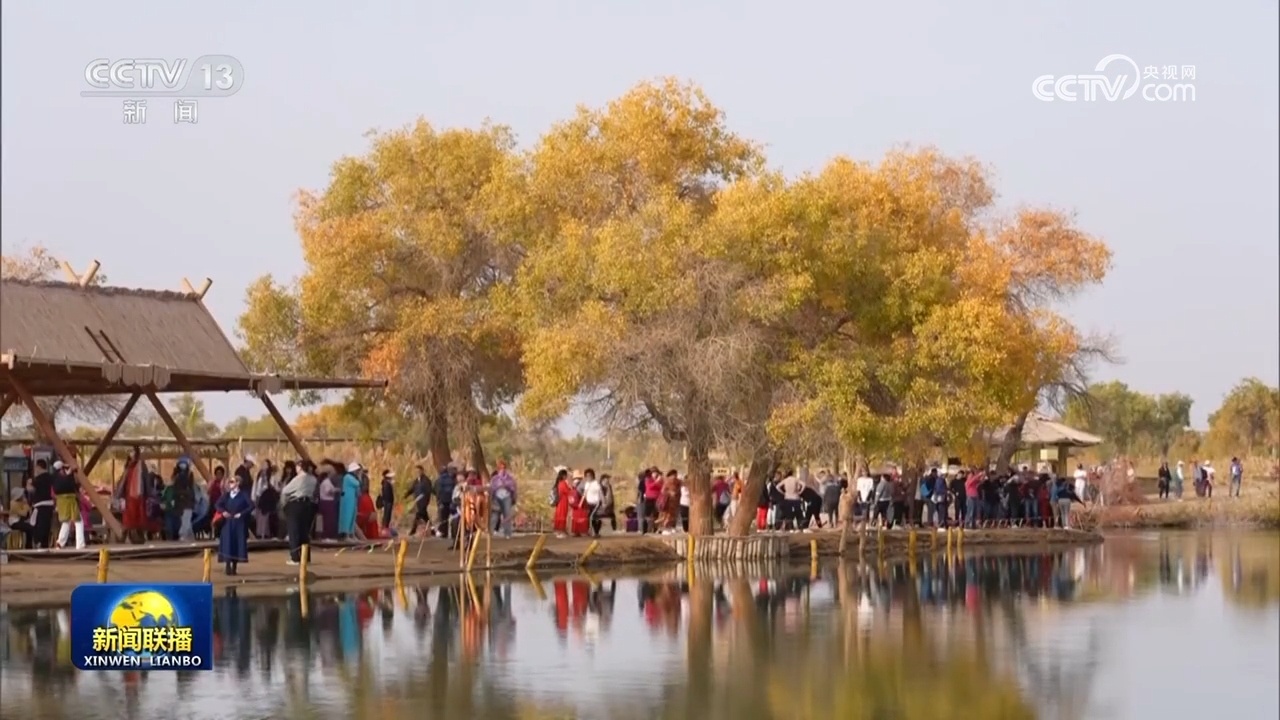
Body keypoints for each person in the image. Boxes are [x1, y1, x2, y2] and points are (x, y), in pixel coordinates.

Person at [214, 473, 254, 575]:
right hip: (227, 522)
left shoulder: (243, 494)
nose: (230, 484)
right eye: (229, 482)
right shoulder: (227, 495)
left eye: (232, 482)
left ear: (238, 483)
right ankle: (227, 565)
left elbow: (251, 506)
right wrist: (223, 512)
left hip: (238, 523)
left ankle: (234, 566)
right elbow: (217, 504)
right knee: (227, 543)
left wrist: (241, 514)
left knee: (236, 543)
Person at [281, 460, 317, 565]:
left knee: (294, 531)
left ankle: (295, 557)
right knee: (304, 532)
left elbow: (285, 490)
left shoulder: (299, 478)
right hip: (308, 504)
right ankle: (306, 557)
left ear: (300, 467)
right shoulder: (313, 479)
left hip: (296, 503)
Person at [53, 462, 85, 549]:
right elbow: (71, 484)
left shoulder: (54, 478)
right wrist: (70, 473)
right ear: (62, 469)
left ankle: (60, 542)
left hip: (61, 502)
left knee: (66, 521)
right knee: (78, 521)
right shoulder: (66, 478)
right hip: (70, 500)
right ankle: (80, 544)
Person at [28, 459, 55, 548]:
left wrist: (28, 483)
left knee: (39, 525)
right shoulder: (51, 477)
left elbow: (31, 489)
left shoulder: (38, 479)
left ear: (39, 467)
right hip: (50, 504)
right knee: (47, 525)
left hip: (40, 505)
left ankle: (38, 542)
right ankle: (45, 544)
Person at [490, 460, 518, 538]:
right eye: (500, 467)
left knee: (507, 515)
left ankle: (507, 533)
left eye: (503, 467)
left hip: (506, 497)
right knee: (495, 514)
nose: (502, 469)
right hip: (496, 497)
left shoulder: (509, 478)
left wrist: (506, 486)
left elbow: (513, 487)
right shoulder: (495, 478)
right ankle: (490, 532)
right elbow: (491, 488)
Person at [406, 466, 433, 536]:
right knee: (425, 517)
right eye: (416, 471)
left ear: (422, 471)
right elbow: (412, 489)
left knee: (418, 515)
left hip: (424, 502)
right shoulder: (416, 481)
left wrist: (425, 499)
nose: (417, 473)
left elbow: (428, 491)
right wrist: (406, 495)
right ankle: (433, 530)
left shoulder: (426, 481)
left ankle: (413, 530)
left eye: (419, 471)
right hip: (418, 501)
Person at [338, 462, 363, 539]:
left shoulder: (352, 477)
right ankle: (346, 535)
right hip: (347, 500)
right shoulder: (347, 477)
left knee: (352, 516)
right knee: (347, 517)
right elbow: (357, 484)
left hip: (352, 499)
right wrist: (359, 477)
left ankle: (351, 534)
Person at [317, 464, 339, 539]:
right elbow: (328, 491)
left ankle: (327, 536)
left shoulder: (326, 481)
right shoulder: (326, 482)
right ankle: (326, 536)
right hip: (327, 502)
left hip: (326, 501)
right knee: (328, 520)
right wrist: (336, 490)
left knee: (328, 519)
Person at [552, 468, 573, 538]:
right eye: (566, 475)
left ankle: (558, 531)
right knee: (562, 516)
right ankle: (560, 531)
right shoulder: (563, 483)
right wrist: (570, 488)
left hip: (560, 502)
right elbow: (568, 491)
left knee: (559, 516)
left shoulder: (559, 483)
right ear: (563, 476)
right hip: (563, 502)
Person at [581, 470, 604, 537]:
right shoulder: (587, 484)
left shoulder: (596, 484)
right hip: (589, 504)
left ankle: (596, 532)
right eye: (587, 476)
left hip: (596, 504)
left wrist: (603, 502)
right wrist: (581, 502)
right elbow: (585, 494)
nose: (588, 477)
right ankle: (594, 532)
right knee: (591, 518)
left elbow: (601, 493)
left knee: (594, 517)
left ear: (593, 476)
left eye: (590, 476)